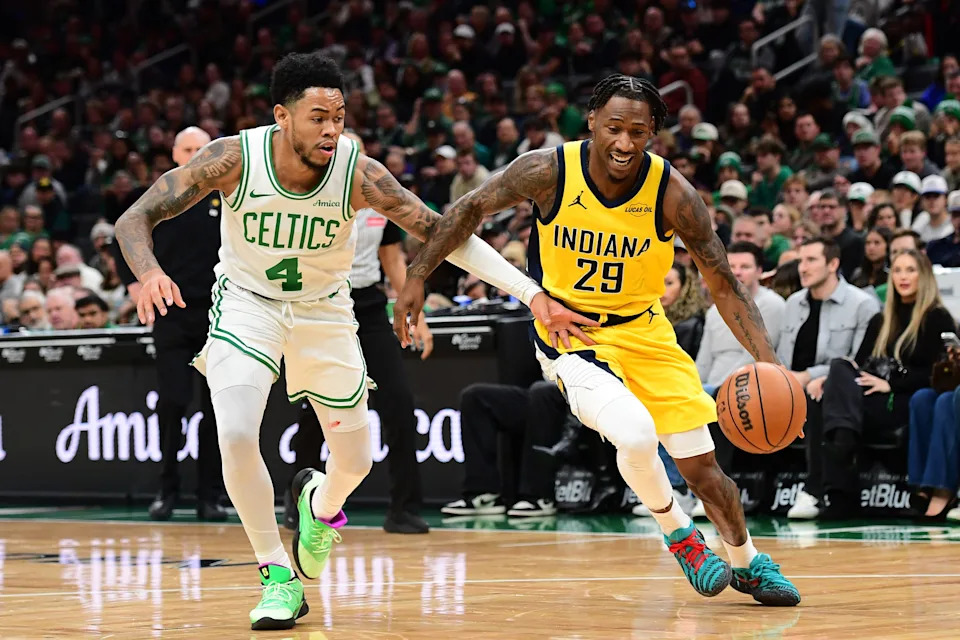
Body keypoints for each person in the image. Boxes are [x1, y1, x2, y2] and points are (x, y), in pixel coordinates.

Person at [115, 52, 589, 631]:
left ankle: (319, 506)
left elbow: (447, 233)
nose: (332, 129)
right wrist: (148, 272)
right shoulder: (234, 159)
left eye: (339, 116)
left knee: (356, 461)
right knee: (236, 431)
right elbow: (134, 219)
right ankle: (276, 575)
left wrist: (529, 293)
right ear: (282, 117)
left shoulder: (358, 173)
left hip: (325, 311)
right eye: (318, 117)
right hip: (247, 305)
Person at [393, 74, 801, 606]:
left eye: (638, 131)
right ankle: (680, 534)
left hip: (645, 330)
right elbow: (470, 208)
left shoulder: (672, 193)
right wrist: (418, 274)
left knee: (705, 470)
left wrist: (769, 365)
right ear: (591, 121)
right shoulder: (547, 171)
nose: (625, 143)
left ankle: (746, 562)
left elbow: (721, 278)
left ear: (654, 131)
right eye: (614, 128)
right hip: (570, 332)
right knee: (633, 435)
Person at [287, 133, 433, 535]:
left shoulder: (376, 196)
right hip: (320, 305)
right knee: (316, 413)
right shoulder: (305, 197)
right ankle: (298, 501)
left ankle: (403, 508)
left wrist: (415, 313)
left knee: (399, 401)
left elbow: (392, 258)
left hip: (367, 306)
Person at [113, 126, 227, 523]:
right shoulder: (158, 195)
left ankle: (210, 496)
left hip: (219, 315)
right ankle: (167, 491)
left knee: (217, 410)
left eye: (202, 148)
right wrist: (135, 281)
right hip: (170, 315)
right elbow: (123, 233)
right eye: (188, 148)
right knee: (173, 404)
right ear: (176, 154)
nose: (195, 154)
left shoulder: (227, 196)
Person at [815, 250, 955, 516]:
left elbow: (937, 374)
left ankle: (836, 485)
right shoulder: (880, 319)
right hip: (869, 397)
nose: (903, 277)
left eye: (910, 270)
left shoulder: (936, 317)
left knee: (840, 408)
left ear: (923, 276)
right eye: (898, 270)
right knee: (838, 369)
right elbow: (859, 363)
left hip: (903, 398)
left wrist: (892, 385)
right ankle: (840, 459)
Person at [779, 238, 881, 519]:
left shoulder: (863, 305)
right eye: (801, 260)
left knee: (816, 396)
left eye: (811, 260)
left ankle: (814, 490)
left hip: (836, 389)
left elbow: (856, 363)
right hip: (789, 385)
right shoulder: (793, 303)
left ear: (833, 264)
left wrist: (811, 376)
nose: (803, 267)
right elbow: (781, 356)